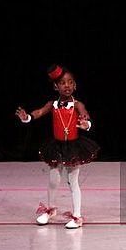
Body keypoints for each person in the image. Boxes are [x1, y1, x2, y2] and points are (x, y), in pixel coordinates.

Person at [15, 64, 100, 229]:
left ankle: (77, 216)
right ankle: (51, 210)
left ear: (75, 85)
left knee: (72, 181)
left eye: (70, 82)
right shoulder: (52, 104)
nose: (66, 85)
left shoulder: (77, 105)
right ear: (56, 86)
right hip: (56, 147)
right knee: (53, 180)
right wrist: (27, 117)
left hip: (74, 148)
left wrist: (86, 123)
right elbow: (38, 112)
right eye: (62, 83)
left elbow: (86, 116)